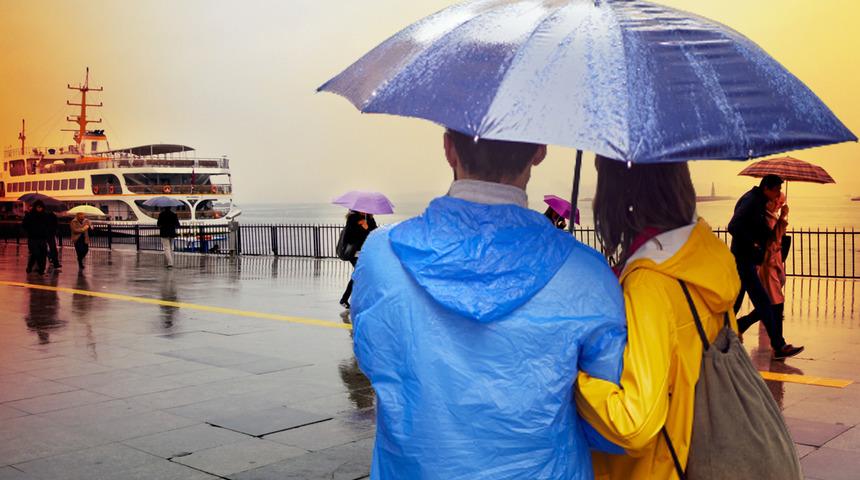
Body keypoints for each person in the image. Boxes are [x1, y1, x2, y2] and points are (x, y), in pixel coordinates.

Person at [351, 129, 627, 479]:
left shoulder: (381, 255)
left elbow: (373, 356)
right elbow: (607, 426)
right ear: (539, 151)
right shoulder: (588, 273)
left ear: (449, 148)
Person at [575, 156, 741, 479]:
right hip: (695, 455)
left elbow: (636, 423)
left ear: (621, 193)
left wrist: (576, 382)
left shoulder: (650, 282)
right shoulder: (706, 258)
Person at [728, 175, 802, 359]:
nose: (778, 194)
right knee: (763, 302)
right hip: (744, 259)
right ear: (767, 188)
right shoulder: (753, 201)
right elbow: (733, 226)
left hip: (747, 260)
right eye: (776, 190)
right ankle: (779, 345)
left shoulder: (755, 199)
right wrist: (753, 242)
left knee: (735, 303)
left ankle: (720, 333)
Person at [737, 193, 793, 343]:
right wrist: (783, 218)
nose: (779, 204)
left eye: (782, 202)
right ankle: (779, 344)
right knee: (775, 304)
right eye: (778, 201)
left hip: (773, 265)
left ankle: (741, 324)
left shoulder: (771, 215)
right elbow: (772, 240)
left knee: (768, 304)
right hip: (768, 266)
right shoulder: (766, 218)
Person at [338, 210, 377, 309]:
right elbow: (349, 237)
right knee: (359, 274)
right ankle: (346, 299)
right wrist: (360, 228)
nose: (364, 211)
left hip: (366, 252)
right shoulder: (352, 219)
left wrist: (366, 228)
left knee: (360, 275)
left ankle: (346, 299)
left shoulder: (370, 219)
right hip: (355, 253)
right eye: (361, 209)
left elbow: (374, 234)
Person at [22, 200, 50, 275]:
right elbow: (24, 225)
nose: (39, 209)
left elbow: (49, 226)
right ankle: (30, 266)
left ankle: (41, 269)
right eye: (38, 207)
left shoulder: (45, 215)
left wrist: (46, 233)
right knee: (35, 253)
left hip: (42, 238)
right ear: (35, 207)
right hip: (32, 238)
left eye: (41, 207)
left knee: (43, 254)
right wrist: (30, 231)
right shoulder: (30, 215)